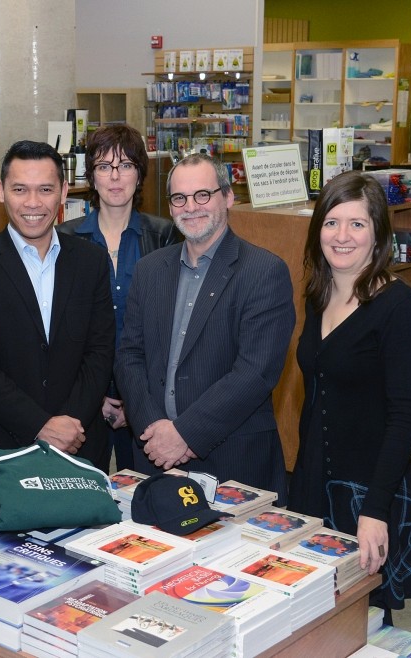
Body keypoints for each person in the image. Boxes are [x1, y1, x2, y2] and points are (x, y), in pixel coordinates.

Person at [287, 171, 411, 620]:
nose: (342, 236)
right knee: (310, 615)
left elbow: (405, 418)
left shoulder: (398, 307)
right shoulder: (318, 295)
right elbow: (316, 400)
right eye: (332, 222)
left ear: (377, 234)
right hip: (314, 484)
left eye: (357, 224)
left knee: (364, 619)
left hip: (365, 492)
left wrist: (376, 510)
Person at [115, 153, 295, 501]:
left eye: (203, 195)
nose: (191, 207)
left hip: (231, 462)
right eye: (179, 198)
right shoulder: (150, 270)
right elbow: (129, 356)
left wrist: (184, 435)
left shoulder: (263, 272)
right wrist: (154, 429)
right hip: (154, 457)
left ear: (227, 197)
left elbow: (255, 373)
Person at [0, 140, 116, 472]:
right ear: (0, 191)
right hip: (4, 450)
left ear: (64, 192)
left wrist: (69, 425)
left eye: (46, 189)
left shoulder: (91, 260)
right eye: (20, 189)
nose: (33, 203)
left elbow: (100, 351)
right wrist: (40, 425)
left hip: (80, 445)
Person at [57, 124, 181, 471]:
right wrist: (94, 396)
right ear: (91, 176)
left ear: (139, 175)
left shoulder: (164, 235)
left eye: (126, 165)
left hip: (148, 401)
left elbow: (169, 328)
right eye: (104, 166)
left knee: (145, 504)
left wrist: (133, 399)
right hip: (81, 402)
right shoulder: (65, 240)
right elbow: (62, 329)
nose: (115, 177)